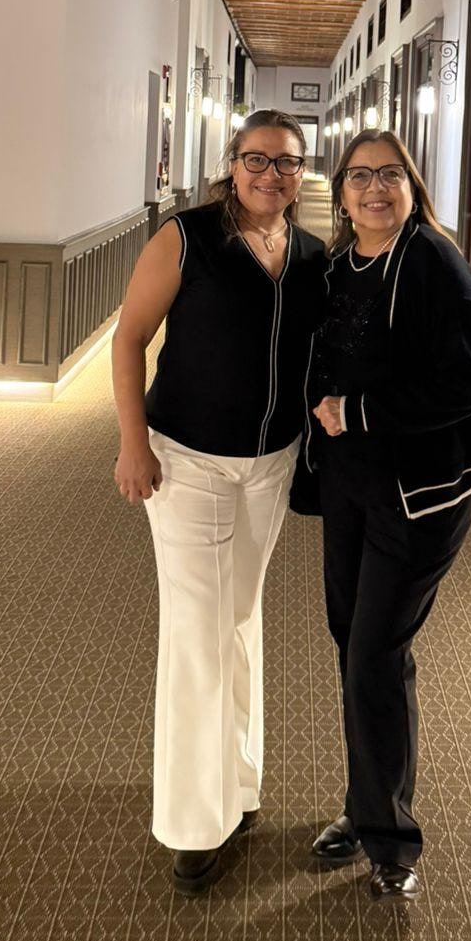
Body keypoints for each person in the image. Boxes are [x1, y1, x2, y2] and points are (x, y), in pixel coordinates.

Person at [112, 109, 325, 895]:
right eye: (257, 159)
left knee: (240, 618)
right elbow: (129, 338)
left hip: (270, 465)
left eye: (287, 162)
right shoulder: (187, 238)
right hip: (187, 461)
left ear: (301, 172)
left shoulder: (311, 255)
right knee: (197, 633)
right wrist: (133, 443)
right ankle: (192, 822)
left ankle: (238, 782)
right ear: (232, 165)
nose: (272, 174)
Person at [302, 129, 471, 900]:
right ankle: (367, 804)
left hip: (422, 494)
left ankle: (390, 840)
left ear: (412, 186)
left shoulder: (434, 264)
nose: (374, 189)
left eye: (389, 175)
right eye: (359, 177)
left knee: (375, 651)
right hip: (350, 486)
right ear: (341, 193)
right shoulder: (339, 265)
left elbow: (467, 383)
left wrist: (359, 412)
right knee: (356, 643)